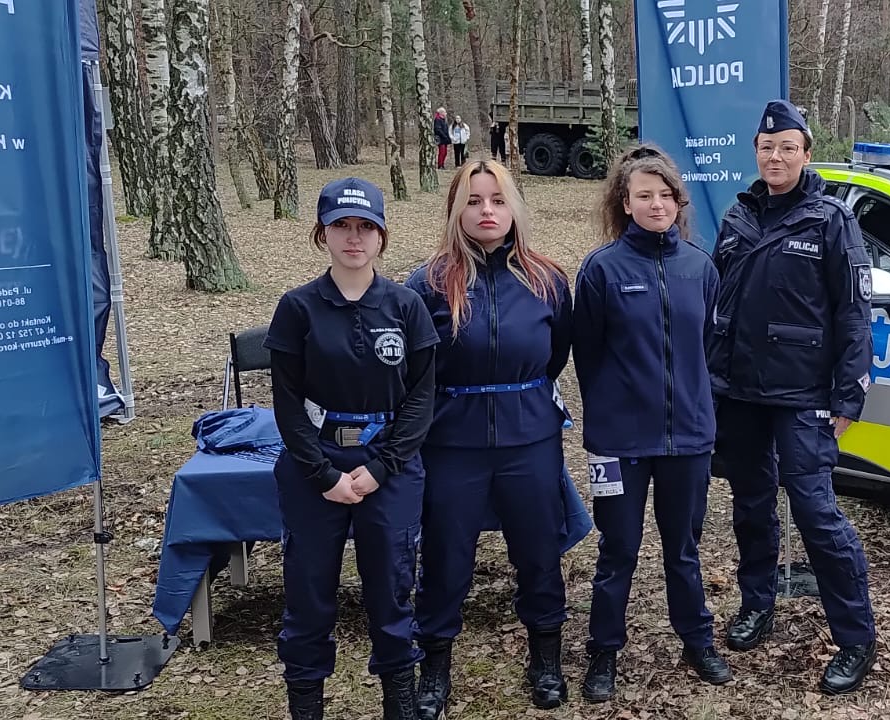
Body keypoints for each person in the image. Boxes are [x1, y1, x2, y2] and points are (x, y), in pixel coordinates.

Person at [708, 99, 878, 696]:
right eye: (766, 147)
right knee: (752, 506)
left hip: (803, 394)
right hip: (741, 394)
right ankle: (757, 603)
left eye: (787, 147)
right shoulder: (738, 216)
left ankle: (855, 637)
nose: (775, 157)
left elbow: (854, 314)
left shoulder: (831, 219)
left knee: (816, 513)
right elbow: (719, 304)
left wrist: (848, 397)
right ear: (755, 152)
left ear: (806, 153)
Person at [265, 177, 439, 720]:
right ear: (323, 233)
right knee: (308, 593)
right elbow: (287, 402)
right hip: (315, 467)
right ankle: (306, 705)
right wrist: (323, 475)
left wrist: (383, 467)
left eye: (366, 226)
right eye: (341, 225)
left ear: (383, 235)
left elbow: (422, 396)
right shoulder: (297, 308)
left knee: (391, 589)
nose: (354, 237)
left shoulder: (406, 306)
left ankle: (400, 704)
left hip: (388, 465)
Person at [406, 160, 574, 713]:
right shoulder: (427, 284)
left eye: (498, 201)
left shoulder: (547, 281)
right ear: (456, 210)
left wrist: (520, 401)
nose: (486, 211)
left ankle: (545, 659)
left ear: (514, 208)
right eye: (474, 201)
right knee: (446, 557)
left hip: (530, 438)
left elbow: (554, 358)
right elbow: (414, 370)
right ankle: (434, 668)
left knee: (539, 552)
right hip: (453, 442)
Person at [572, 144, 731, 702]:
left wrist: (698, 409)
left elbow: (709, 348)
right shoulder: (602, 270)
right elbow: (587, 354)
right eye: (644, 195)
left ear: (678, 203)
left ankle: (697, 640)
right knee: (618, 548)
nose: (656, 204)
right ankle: (603, 651)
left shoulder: (699, 267)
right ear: (625, 202)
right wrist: (609, 415)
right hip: (621, 440)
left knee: (683, 547)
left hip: (688, 437)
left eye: (666, 195)